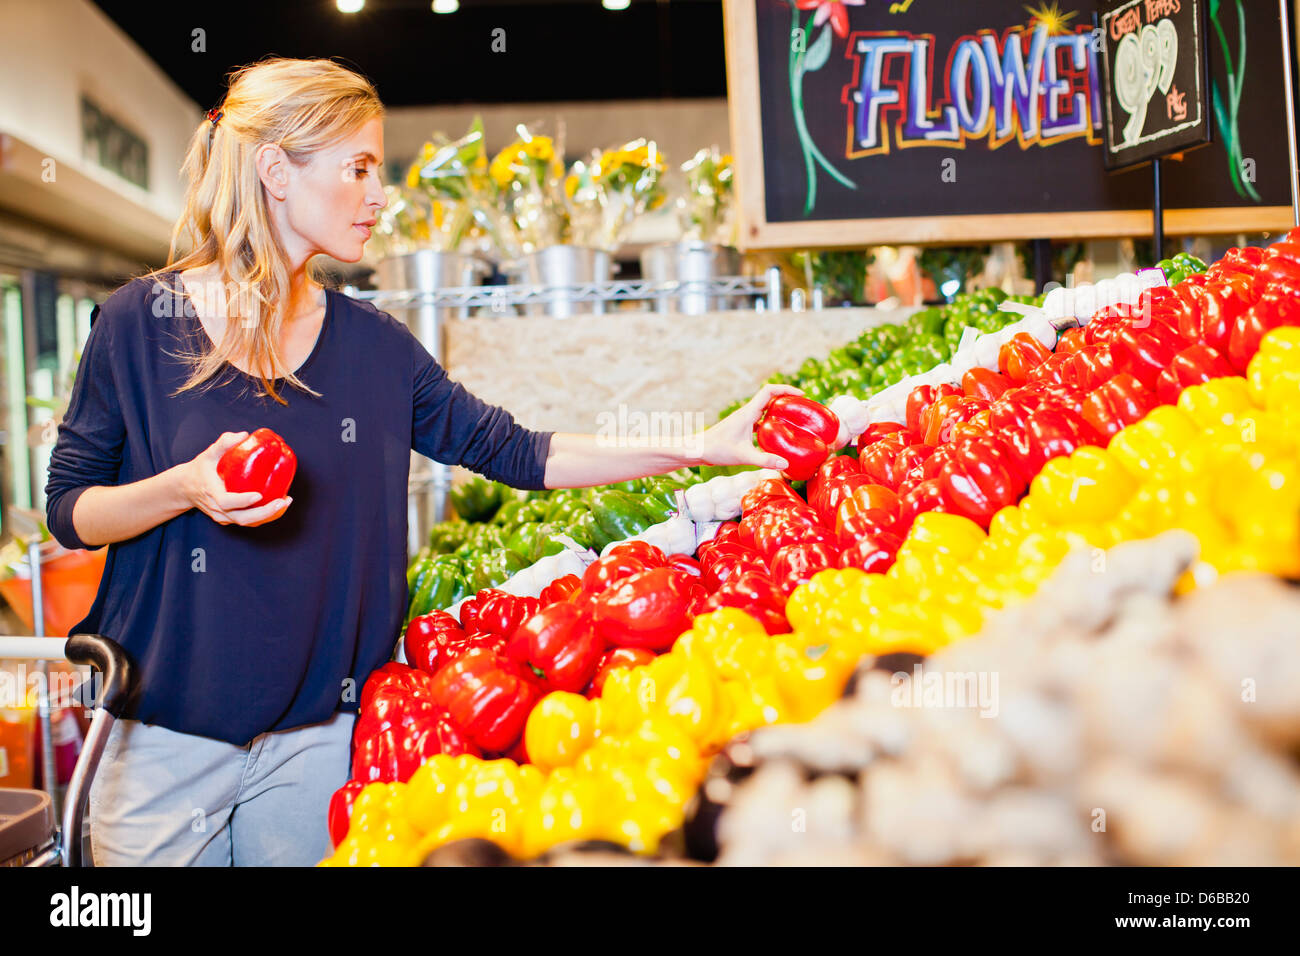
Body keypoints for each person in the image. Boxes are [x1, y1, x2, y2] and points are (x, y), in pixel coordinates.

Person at [44, 57, 816, 867]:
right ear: (275, 169)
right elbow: (72, 507)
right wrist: (183, 489)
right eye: (360, 169)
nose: (380, 196)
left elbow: (518, 451)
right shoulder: (140, 322)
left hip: (318, 745)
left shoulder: (376, 347)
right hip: (160, 737)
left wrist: (699, 444)